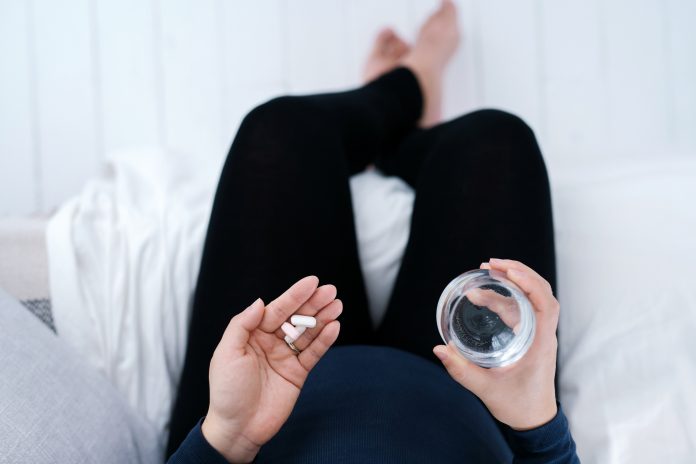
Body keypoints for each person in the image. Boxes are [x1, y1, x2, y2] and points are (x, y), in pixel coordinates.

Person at [166, 1, 578, 462]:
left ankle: (399, 94)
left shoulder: (236, 426)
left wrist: (227, 435)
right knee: (497, 141)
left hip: (257, 412)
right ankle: (411, 109)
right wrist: (537, 419)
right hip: (466, 399)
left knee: (280, 130)